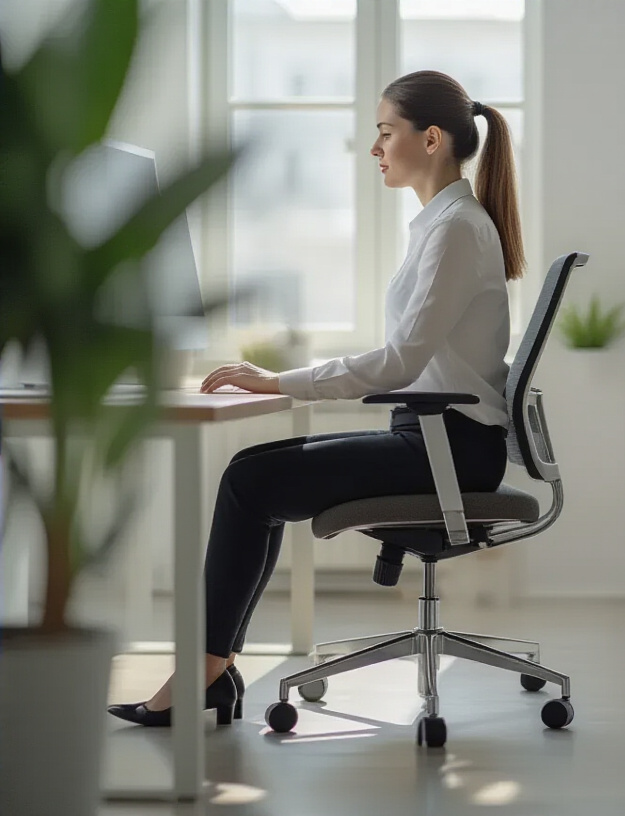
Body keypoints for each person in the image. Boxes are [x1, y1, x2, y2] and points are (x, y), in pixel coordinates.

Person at [108, 70, 524, 727]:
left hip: (448, 449)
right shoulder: (445, 224)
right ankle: (211, 670)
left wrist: (278, 381)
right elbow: (408, 359)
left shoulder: (455, 230)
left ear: (433, 138)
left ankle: (204, 674)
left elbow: (399, 361)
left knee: (251, 480)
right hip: (437, 439)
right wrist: (291, 379)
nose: (375, 147)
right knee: (253, 476)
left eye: (386, 132)